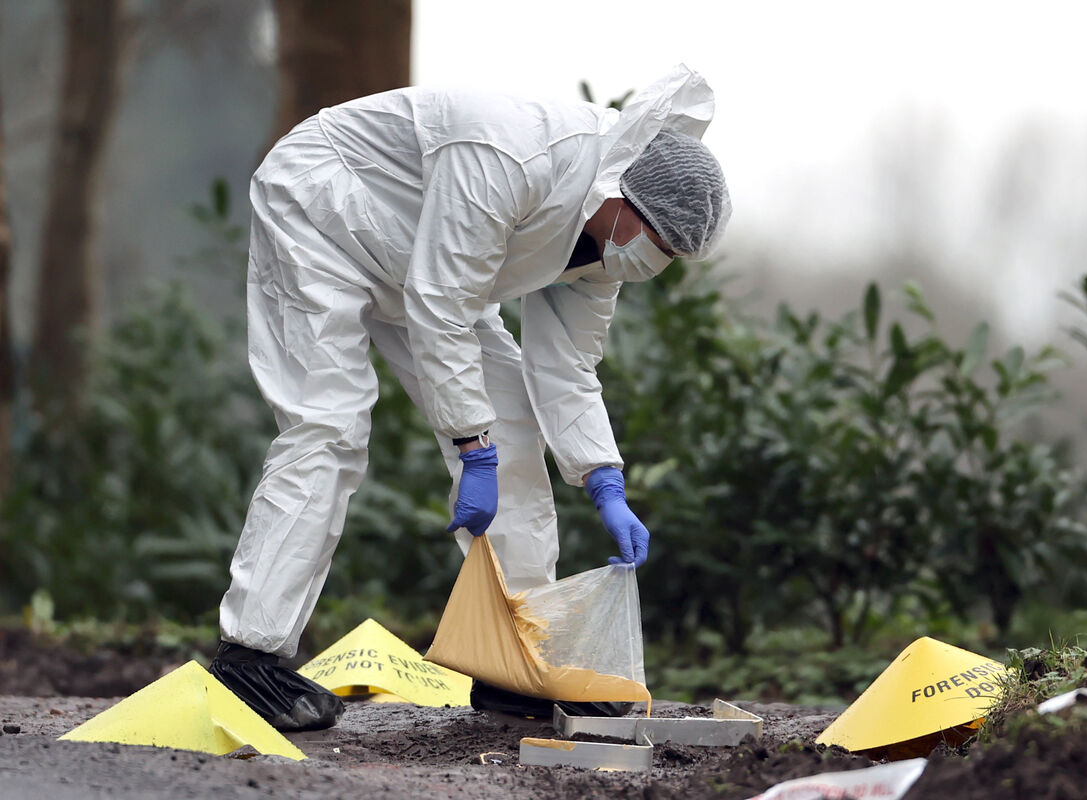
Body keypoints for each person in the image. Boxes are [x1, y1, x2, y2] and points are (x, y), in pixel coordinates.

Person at [208, 63, 731, 731]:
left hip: (426, 265)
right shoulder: (511, 155)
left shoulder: (606, 237)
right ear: (622, 197)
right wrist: (470, 449)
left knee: (510, 419)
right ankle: (251, 656)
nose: (648, 264)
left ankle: (514, 662)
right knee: (329, 428)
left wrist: (605, 479)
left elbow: (567, 365)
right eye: (654, 245)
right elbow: (441, 303)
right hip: (324, 211)